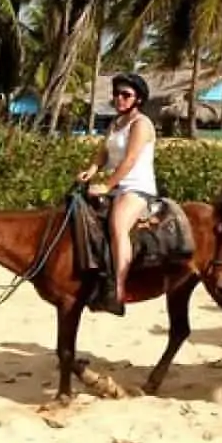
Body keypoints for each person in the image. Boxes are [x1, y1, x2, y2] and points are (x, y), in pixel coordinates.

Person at [77, 72, 157, 314]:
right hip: (117, 185)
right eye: (116, 94)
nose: (119, 98)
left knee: (118, 225)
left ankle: (119, 291)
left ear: (138, 99)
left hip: (137, 187)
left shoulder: (141, 124)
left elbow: (130, 159)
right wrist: (92, 170)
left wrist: (107, 186)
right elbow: (104, 152)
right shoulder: (116, 123)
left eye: (126, 94)